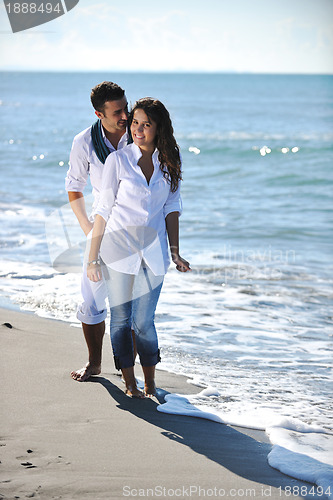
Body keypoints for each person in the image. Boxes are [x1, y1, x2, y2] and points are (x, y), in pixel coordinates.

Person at [86, 98, 191, 398]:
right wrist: (92, 258)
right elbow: (103, 210)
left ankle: (150, 382)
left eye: (146, 125)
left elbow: (172, 206)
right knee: (120, 321)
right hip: (118, 251)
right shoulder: (118, 161)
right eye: (135, 123)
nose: (138, 130)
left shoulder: (169, 160)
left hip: (154, 254)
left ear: (159, 129)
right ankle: (129, 382)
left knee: (144, 323)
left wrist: (175, 250)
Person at [66, 81, 131, 382]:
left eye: (125, 108)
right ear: (98, 113)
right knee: (92, 300)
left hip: (138, 228)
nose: (125, 116)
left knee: (133, 302)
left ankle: (130, 369)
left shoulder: (140, 133)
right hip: (102, 231)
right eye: (117, 112)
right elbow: (74, 186)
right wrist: (89, 229)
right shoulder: (84, 141)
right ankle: (94, 364)